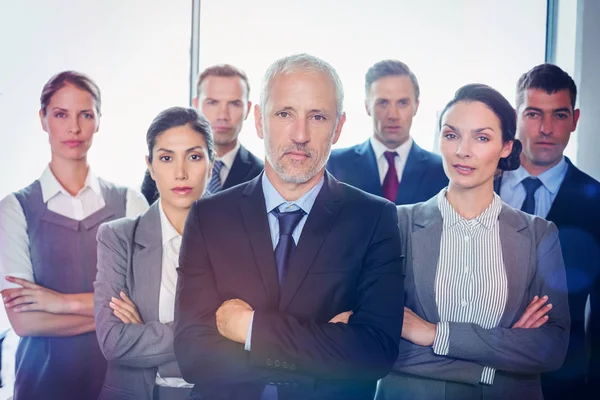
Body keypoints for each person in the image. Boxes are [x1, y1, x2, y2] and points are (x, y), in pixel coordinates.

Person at [174, 53, 405, 400]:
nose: (300, 135)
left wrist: (250, 329)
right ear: (259, 121)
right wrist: (324, 344)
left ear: (339, 127)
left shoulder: (374, 219)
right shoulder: (210, 216)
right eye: (285, 114)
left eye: (317, 116)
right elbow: (193, 356)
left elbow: (374, 354)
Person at [376, 84, 570, 399]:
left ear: (507, 146)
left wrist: (432, 334)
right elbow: (377, 342)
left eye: (482, 138)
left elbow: (551, 349)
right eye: (452, 135)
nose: (463, 151)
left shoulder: (539, 235)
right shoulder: (395, 224)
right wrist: (497, 361)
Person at [0, 71, 149, 399]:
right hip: (42, 385)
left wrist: (59, 303)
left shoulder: (130, 202)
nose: (74, 128)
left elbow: (148, 301)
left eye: (85, 114)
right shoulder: (14, 210)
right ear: (43, 119)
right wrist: (114, 321)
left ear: (98, 120)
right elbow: (25, 322)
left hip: (121, 384)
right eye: (60, 114)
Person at [493, 63, 600, 399]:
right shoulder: (477, 185)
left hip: (560, 380)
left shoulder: (597, 205)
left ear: (576, 119)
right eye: (535, 114)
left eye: (560, 115)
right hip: (472, 370)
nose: (547, 129)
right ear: (515, 116)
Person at [94, 106, 214, 399]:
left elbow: (247, 342)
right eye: (166, 158)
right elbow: (113, 341)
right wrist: (209, 330)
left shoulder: (240, 236)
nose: (181, 172)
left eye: (194, 157)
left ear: (212, 164)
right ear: (150, 165)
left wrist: (146, 332)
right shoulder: (117, 237)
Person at [327, 59, 447, 204]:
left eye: (402, 103)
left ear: (416, 106)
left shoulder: (442, 170)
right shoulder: (334, 164)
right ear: (367, 107)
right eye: (383, 103)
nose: (393, 115)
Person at [193, 64, 263, 194]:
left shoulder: (262, 176)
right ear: (196, 105)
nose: (223, 115)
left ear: (247, 109)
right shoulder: (164, 166)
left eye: (234, 104)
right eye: (212, 102)